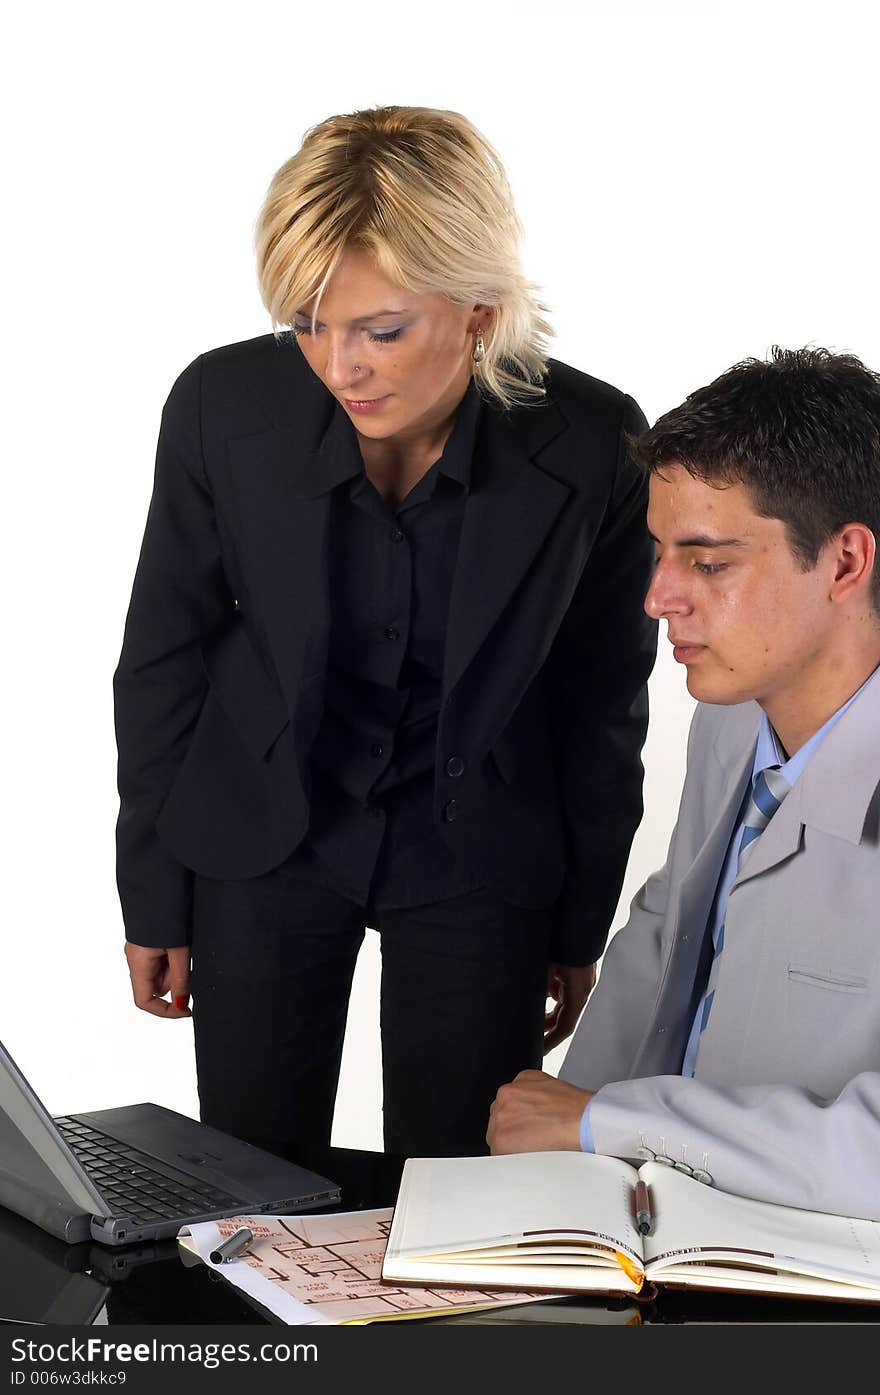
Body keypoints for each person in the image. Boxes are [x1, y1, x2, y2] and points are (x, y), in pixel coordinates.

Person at [113, 105, 657, 1166]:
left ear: (479, 310)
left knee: (460, 1197)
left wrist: (573, 924)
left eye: (380, 329)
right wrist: (153, 892)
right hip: (263, 842)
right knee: (246, 1187)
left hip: (479, 856)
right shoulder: (220, 406)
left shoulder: (595, 445)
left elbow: (602, 704)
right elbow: (163, 656)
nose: (338, 364)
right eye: (310, 322)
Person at [487, 346, 880, 1222]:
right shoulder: (732, 719)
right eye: (660, 553)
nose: (659, 595)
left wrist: (605, 1123)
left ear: (847, 562)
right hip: (657, 1227)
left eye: (707, 562)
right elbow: (669, 932)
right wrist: (555, 1166)